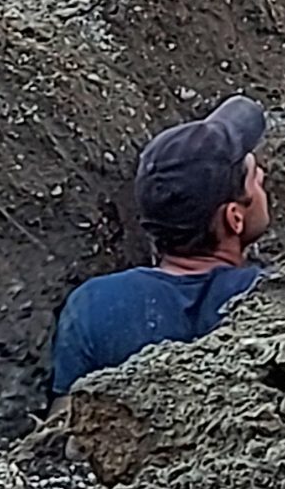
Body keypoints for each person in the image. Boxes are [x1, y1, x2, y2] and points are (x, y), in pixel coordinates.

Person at [49, 96, 272, 396]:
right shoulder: (270, 297)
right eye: (254, 179)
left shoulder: (92, 306)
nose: (263, 177)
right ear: (234, 218)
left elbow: (61, 425)